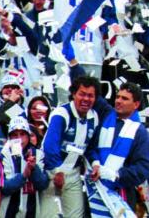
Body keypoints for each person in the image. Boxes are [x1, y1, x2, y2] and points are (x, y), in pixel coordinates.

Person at [39, 74, 101, 218]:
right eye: (82, 94)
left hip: (73, 174)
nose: (86, 99)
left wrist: (96, 164)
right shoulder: (61, 114)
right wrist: (57, 171)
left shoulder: (94, 117)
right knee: (48, 215)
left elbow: (90, 148)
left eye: (90, 96)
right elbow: (50, 146)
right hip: (51, 172)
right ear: (73, 94)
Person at [87, 82, 149, 211]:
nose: (118, 101)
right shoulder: (106, 117)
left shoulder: (140, 133)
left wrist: (116, 175)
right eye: (117, 97)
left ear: (136, 104)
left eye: (125, 98)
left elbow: (143, 168)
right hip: (93, 186)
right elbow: (91, 147)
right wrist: (95, 163)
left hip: (121, 193)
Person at [0, 118, 48, 218]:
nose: (19, 138)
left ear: (28, 136)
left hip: (32, 212)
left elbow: (42, 184)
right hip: (8, 213)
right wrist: (24, 175)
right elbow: (5, 187)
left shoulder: (38, 154)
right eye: (14, 135)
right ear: (9, 137)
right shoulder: (3, 155)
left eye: (22, 134)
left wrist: (34, 169)